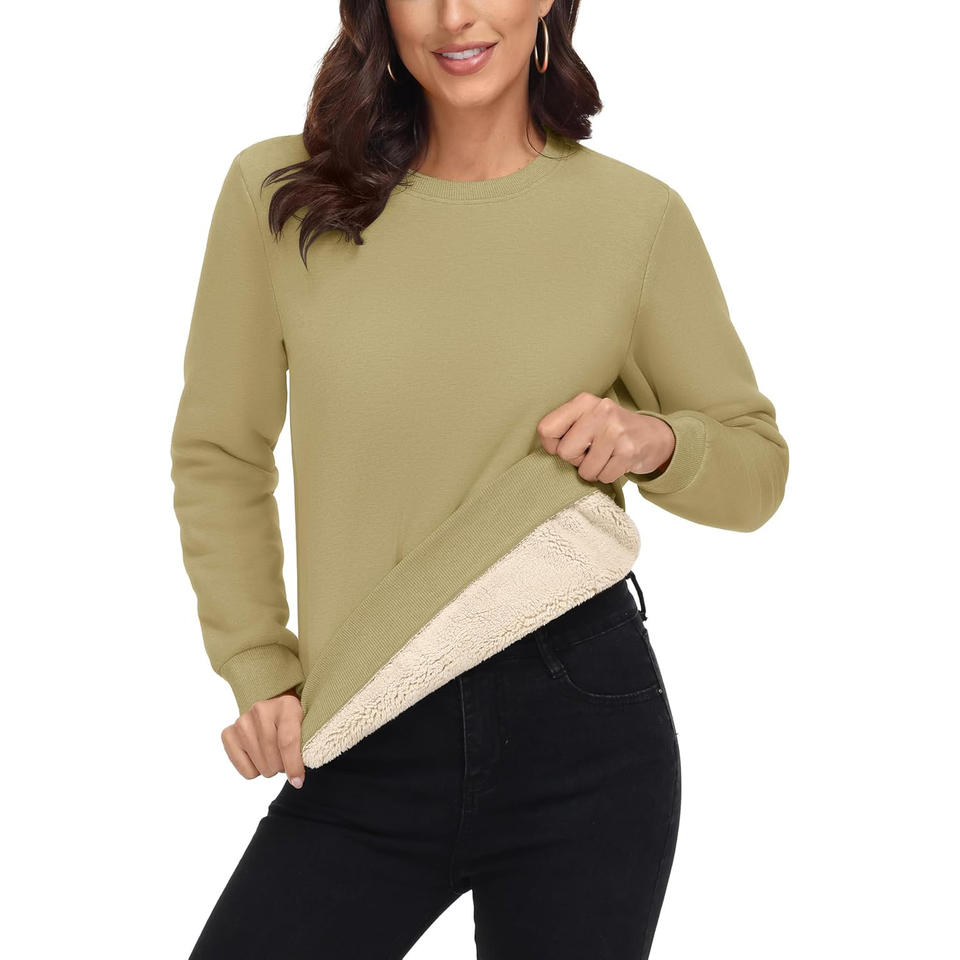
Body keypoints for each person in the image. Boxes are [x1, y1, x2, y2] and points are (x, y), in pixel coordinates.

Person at [169, 1, 789, 957]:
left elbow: (757, 470)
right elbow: (221, 449)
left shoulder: (635, 219)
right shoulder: (279, 191)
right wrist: (257, 663)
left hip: (582, 724)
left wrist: (654, 441)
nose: (455, 16)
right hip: (363, 715)